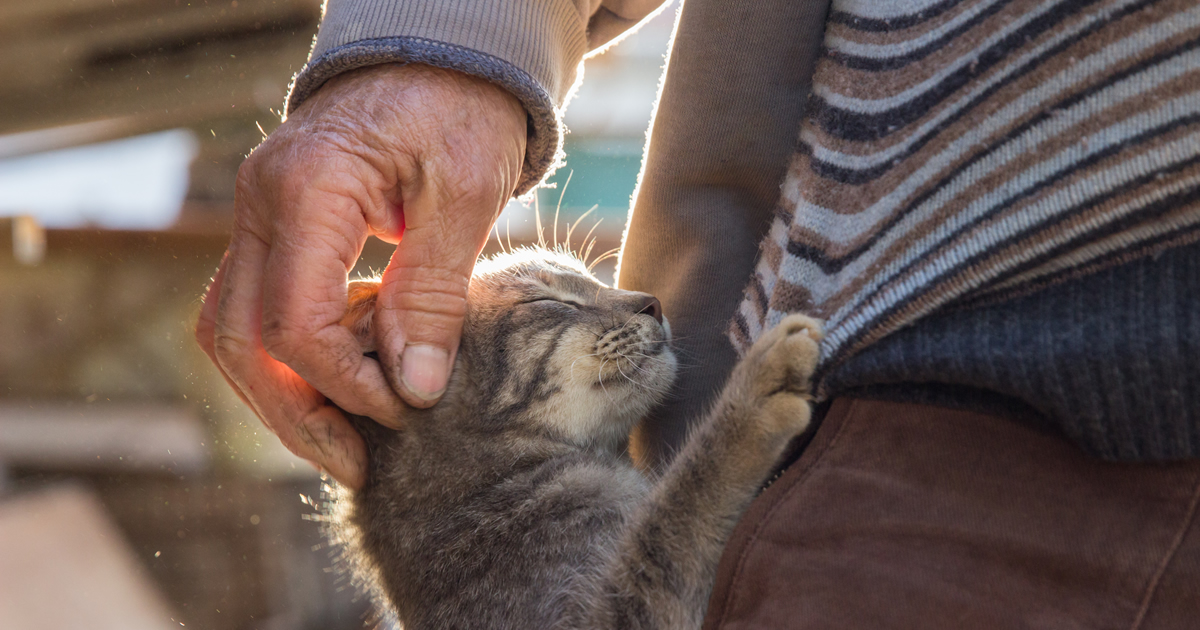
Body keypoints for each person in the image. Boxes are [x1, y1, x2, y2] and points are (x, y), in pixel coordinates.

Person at [196, 0, 1200, 626]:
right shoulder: (488, 537)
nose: (630, 300)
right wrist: (446, 34)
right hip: (931, 390)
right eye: (562, 300)